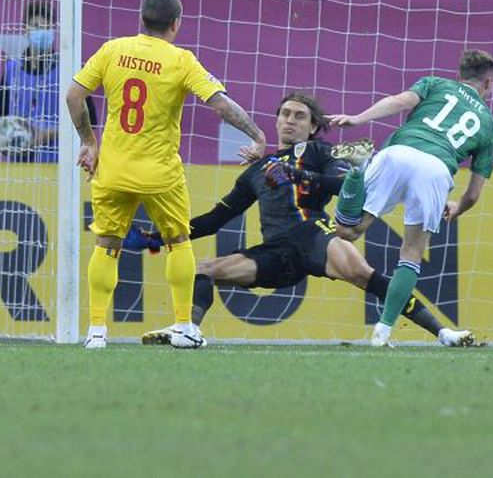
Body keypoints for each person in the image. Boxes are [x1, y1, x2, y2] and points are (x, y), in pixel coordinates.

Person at [135, 92, 473, 347]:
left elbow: (346, 184)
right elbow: (215, 219)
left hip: (315, 236)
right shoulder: (258, 170)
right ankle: (190, 331)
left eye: (299, 116)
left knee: (363, 275)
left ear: (313, 126)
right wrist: (159, 237)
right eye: (285, 114)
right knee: (203, 271)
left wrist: (299, 178)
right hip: (277, 254)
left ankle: (443, 332)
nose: (290, 120)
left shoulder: (322, 152)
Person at [65, 0, 266, 349]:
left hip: (113, 169)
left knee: (107, 245)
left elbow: (74, 95)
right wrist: (257, 133)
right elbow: (220, 106)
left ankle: (96, 331)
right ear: (176, 24)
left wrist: (89, 142)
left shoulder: (113, 50)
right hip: (160, 173)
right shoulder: (180, 60)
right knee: (178, 242)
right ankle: (184, 325)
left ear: (141, 20)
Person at [329, 50, 493, 347]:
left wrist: (358, 118)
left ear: (458, 76)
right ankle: (382, 334)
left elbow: (400, 101)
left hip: (399, 153)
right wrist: (457, 207)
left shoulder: (435, 83)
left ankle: (356, 170)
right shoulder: (489, 125)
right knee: (411, 253)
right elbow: (473, 193)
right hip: (436, 170)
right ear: (488, 83)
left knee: (346, 232)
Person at [0, 0, 94, 161]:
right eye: (36, 26)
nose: (41, 31)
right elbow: (1, 118)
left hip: (60, 162)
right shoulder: (11, 70)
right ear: (25, 30)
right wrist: (5, 138)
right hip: (19, 163)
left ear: (53, 30)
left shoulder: (69, 70)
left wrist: (47, 135)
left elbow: (91, 120)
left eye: (46, 27)